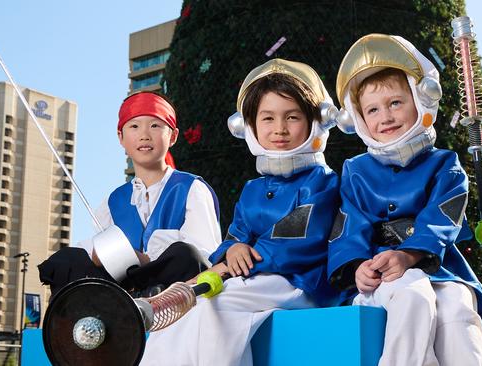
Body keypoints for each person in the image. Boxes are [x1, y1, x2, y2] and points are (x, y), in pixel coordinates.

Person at [140, 59, 341, 366]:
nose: (280, 129)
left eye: (293, 117)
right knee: (180, 315)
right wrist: (232, 249)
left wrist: (233, 266)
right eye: (268, 118)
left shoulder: (321, 181)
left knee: (216, 306)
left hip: (300, 281)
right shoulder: (252, 188)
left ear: (315, 121)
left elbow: (300, 239)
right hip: (253, 280)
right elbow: (237, 235)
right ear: (249, 126)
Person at [327, 34, 482, 366]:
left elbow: (442, 219)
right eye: (373, 110)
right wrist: (355, 268)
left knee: (458, 308)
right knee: (414, 295)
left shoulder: (444, 164)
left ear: (420, 101)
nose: (386, 117)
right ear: (359, 119)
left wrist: (410, 253)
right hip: (383, 275)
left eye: (396, 103)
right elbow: (348, 224)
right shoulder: (356, 170)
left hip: (438, 268)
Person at [38, 91, 221, 298]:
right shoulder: (113, 201)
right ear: (121, 137)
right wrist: (99, 254)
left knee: (185, 254)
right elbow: (97, 253)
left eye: (155, 125)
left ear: (173, 136)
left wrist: (144, 260)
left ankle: (153, 297)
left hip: (175, 292)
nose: (144, 135)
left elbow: (204, 255)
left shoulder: (191, 188)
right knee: (68, 259)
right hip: (122, 289)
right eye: (134, 126)